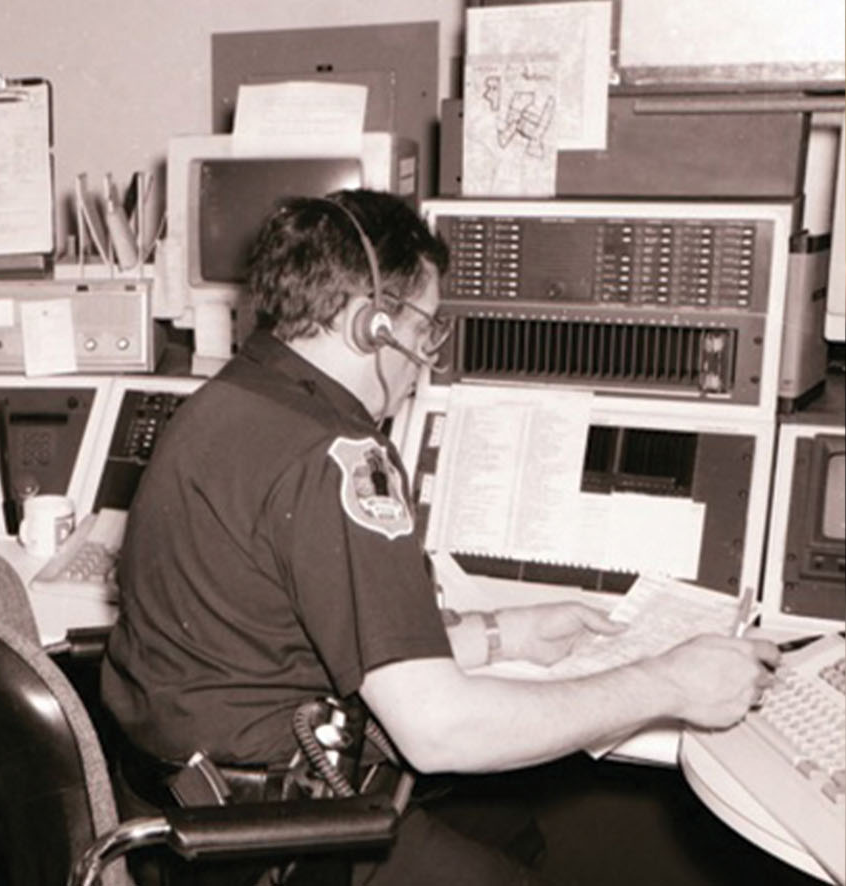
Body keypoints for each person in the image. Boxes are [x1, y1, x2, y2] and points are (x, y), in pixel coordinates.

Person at [99, 189, 780, 884]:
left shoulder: (229, 398)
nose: (426, 355)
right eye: (426, 329)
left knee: (513, 827)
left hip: (177, 813)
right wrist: (667, 683)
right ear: (373, 326)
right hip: (274, 844)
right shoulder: (338, 458)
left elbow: (294, 637)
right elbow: (438, 730)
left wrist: (503, 635)